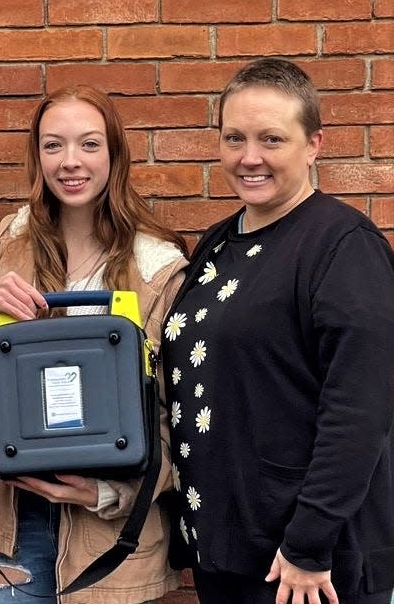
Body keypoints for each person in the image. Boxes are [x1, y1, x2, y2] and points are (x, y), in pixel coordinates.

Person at [0, 85, 189, 604]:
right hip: (16, 518)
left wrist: (107, 493)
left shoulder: (159, 269)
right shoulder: (0, 247)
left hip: (113, 532)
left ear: (115, 154)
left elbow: (183, 419)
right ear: (36, 156)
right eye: (53, 145)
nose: (70, 162)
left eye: (89, 144)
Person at [162, 57, 394, 604]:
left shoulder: (342, 247)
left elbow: (360, 411)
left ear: (313, 144)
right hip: (228, 549)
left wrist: (309, 544)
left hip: (308, 568)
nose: (249, 158)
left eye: (271, 139)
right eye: (234, 138)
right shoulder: (218, 242)